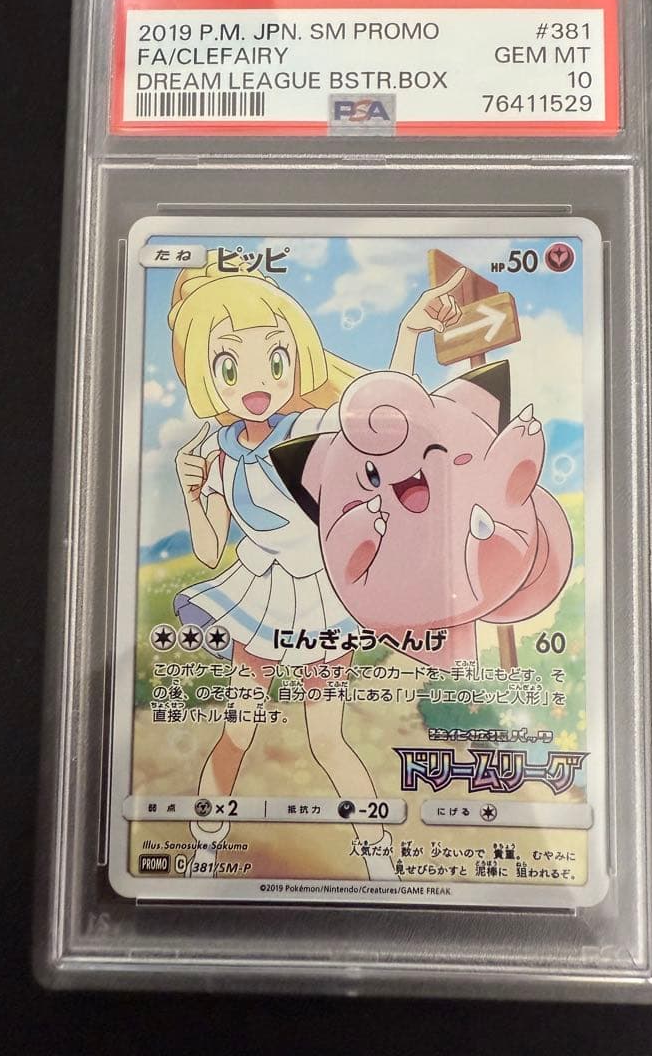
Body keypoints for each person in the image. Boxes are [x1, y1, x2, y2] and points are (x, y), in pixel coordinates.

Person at [169, 249, 464, 879]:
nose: (256, 381)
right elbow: (209, 549)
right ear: (205, 373)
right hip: (260, 598)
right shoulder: (215, 451)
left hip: (321, 603)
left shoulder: (311, 428)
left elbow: (387, 418)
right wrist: (192, 492)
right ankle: (202, 849)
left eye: (274, 359)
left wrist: (409, 332)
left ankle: (378, 858)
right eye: (230, 364)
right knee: (238, 729)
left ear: (296, 357)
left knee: (326, 739)